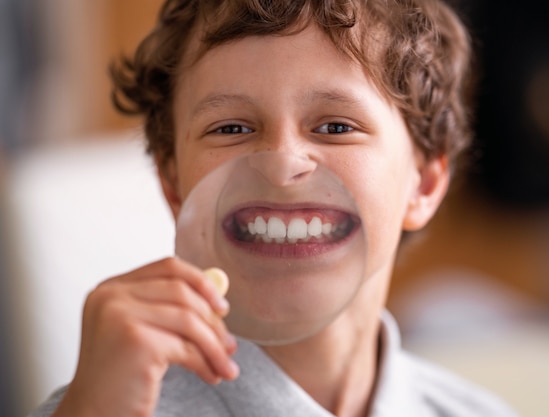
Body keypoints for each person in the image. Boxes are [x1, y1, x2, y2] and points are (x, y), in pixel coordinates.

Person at [29, 0, 518, 416]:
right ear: (174, 186)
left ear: (424, 185)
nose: (281, 165)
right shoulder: (104, 406)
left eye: (336, 126)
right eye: (231, 128)